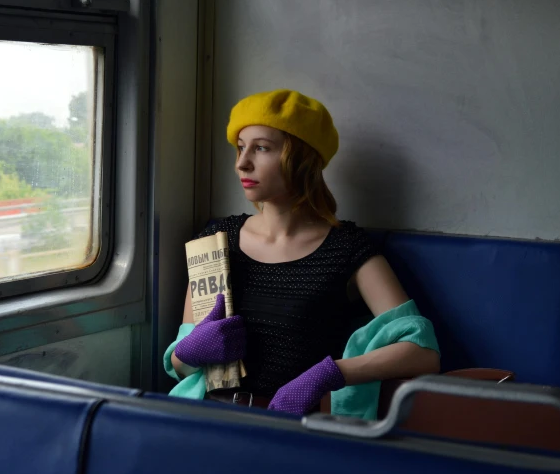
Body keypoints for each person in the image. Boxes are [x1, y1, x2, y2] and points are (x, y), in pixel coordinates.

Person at [167, 89, 441, 416]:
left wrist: (331, 374)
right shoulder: (217, 240)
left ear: (301, 158)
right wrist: (189, 353)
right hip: (211, 418)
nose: (242, 163)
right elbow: (179, 367)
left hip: (298, 426)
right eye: (240, 149)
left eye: (262, 148)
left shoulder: (347, 249)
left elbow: (422, 352)